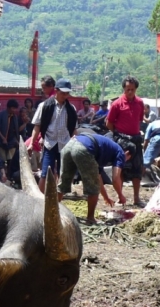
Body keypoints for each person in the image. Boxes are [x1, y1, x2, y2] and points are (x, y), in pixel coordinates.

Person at [58, 132, 128, 224]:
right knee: (93, 189)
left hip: (69, 144)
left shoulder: (105, 148)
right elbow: (115, 178)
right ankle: (90, 218)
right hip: (83, 148)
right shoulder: (121, 153)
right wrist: (120, 195)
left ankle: (52, 211)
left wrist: (106, 197)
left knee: (63, 183)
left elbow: (98, 178)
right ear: (128, 153)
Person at [29, 78, 77, 193]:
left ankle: (58, 200)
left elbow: (74, 129)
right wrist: (31, 143)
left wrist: (75, 143)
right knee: (45, 173)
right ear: (56, 90)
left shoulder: (71, 109)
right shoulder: (44, 106)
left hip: (65, 145)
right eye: (63, 93)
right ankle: (39, 199)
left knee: (63, 174)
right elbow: (37, 126)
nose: (65, 95)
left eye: (67, 93)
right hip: (49, 144)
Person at [106, 76, 145, 206]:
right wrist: (118, 135)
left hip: (136, 139)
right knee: (120, 167)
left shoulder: (140, 103)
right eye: (127, 89)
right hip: (121, 140)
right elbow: (109, 123)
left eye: (132, 89)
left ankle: (136, 197)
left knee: (137, 168)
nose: (130, 92)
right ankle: (120, 196)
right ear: (124, 89)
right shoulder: (117, 104)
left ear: (135, 89)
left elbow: (139, 120)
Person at [0, 99, 21, 169]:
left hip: (11, 141)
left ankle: (9, 175)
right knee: (2, 160)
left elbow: (16, 130)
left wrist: (17, 140)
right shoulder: (0, 115)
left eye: (15, 108)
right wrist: (3, 138)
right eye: (13, 108)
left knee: (11, 160)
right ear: (8, 107)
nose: (14, 110)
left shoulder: (15, 117)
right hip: (1, 141)